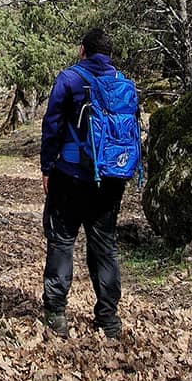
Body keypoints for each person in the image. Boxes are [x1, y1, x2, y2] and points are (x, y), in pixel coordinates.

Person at [39, 27, 130, 339]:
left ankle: (56, 314)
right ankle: (109, 320)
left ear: (83, 50)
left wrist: (47, 166)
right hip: (111, 177)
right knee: (104, 246)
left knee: (62, 240)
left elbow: (51, 124)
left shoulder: (69, 79)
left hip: (71, 175)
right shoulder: (121, 83)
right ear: (109, 54)